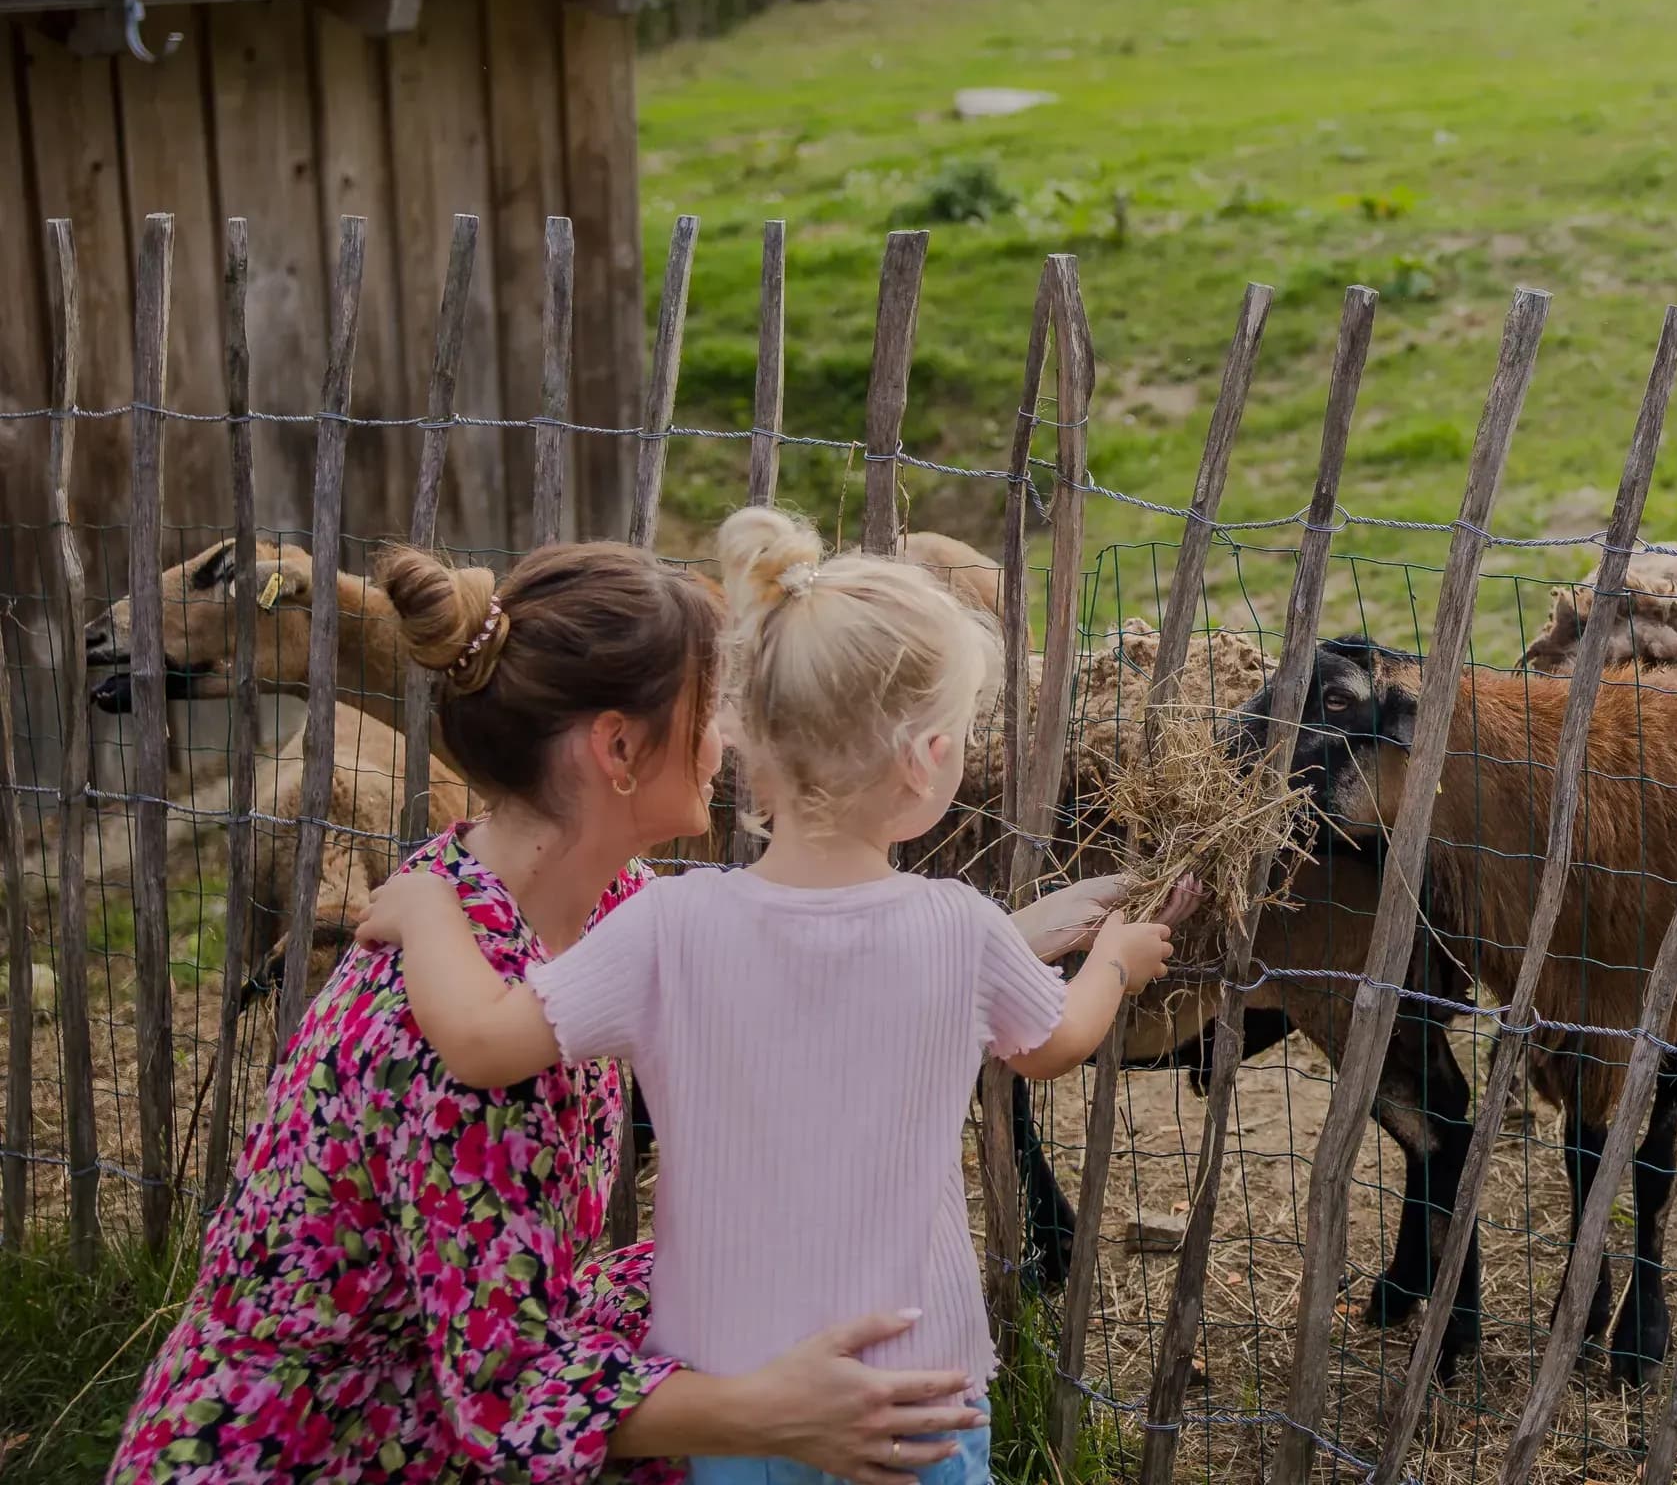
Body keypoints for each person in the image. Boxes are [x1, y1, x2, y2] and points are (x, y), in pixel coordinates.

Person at [109, 539, 1124, 1485]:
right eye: (710, 704)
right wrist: (766, 1410)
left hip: (439, 1386)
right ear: (619, 749)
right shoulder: (437, 1031)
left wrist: (1009, 937)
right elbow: (509, 1397)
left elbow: (812, 958)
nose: (731, 734)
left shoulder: (603, 903)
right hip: (328, 1447)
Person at [353, 507, 1189, 1485]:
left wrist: (425, 909)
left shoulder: (668, 924)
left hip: (738, 1399)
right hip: (915, 1397)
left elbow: (483, 1043)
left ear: (757, 746)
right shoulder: (960, 929)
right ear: (928, 758)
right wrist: (1118, 961)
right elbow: (1055, 1039)